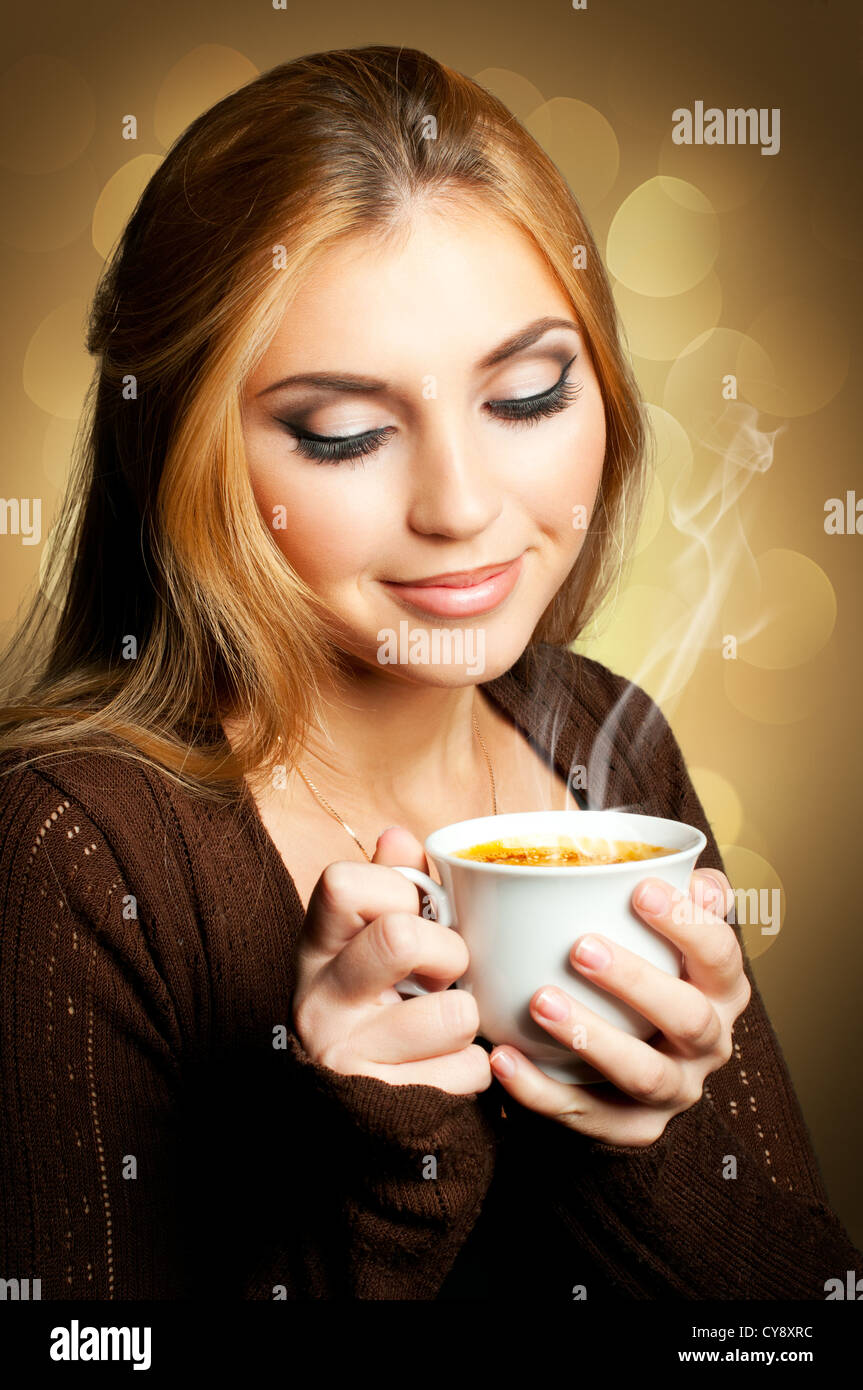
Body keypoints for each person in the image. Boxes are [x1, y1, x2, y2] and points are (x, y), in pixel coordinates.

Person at [1, 45, 859, 1301]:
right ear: (181, 447)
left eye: (526, 395)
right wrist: (379, 1165)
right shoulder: (70, 854)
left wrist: (637, 1140)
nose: (460, 507)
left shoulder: (603, 733)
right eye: (341, 434)